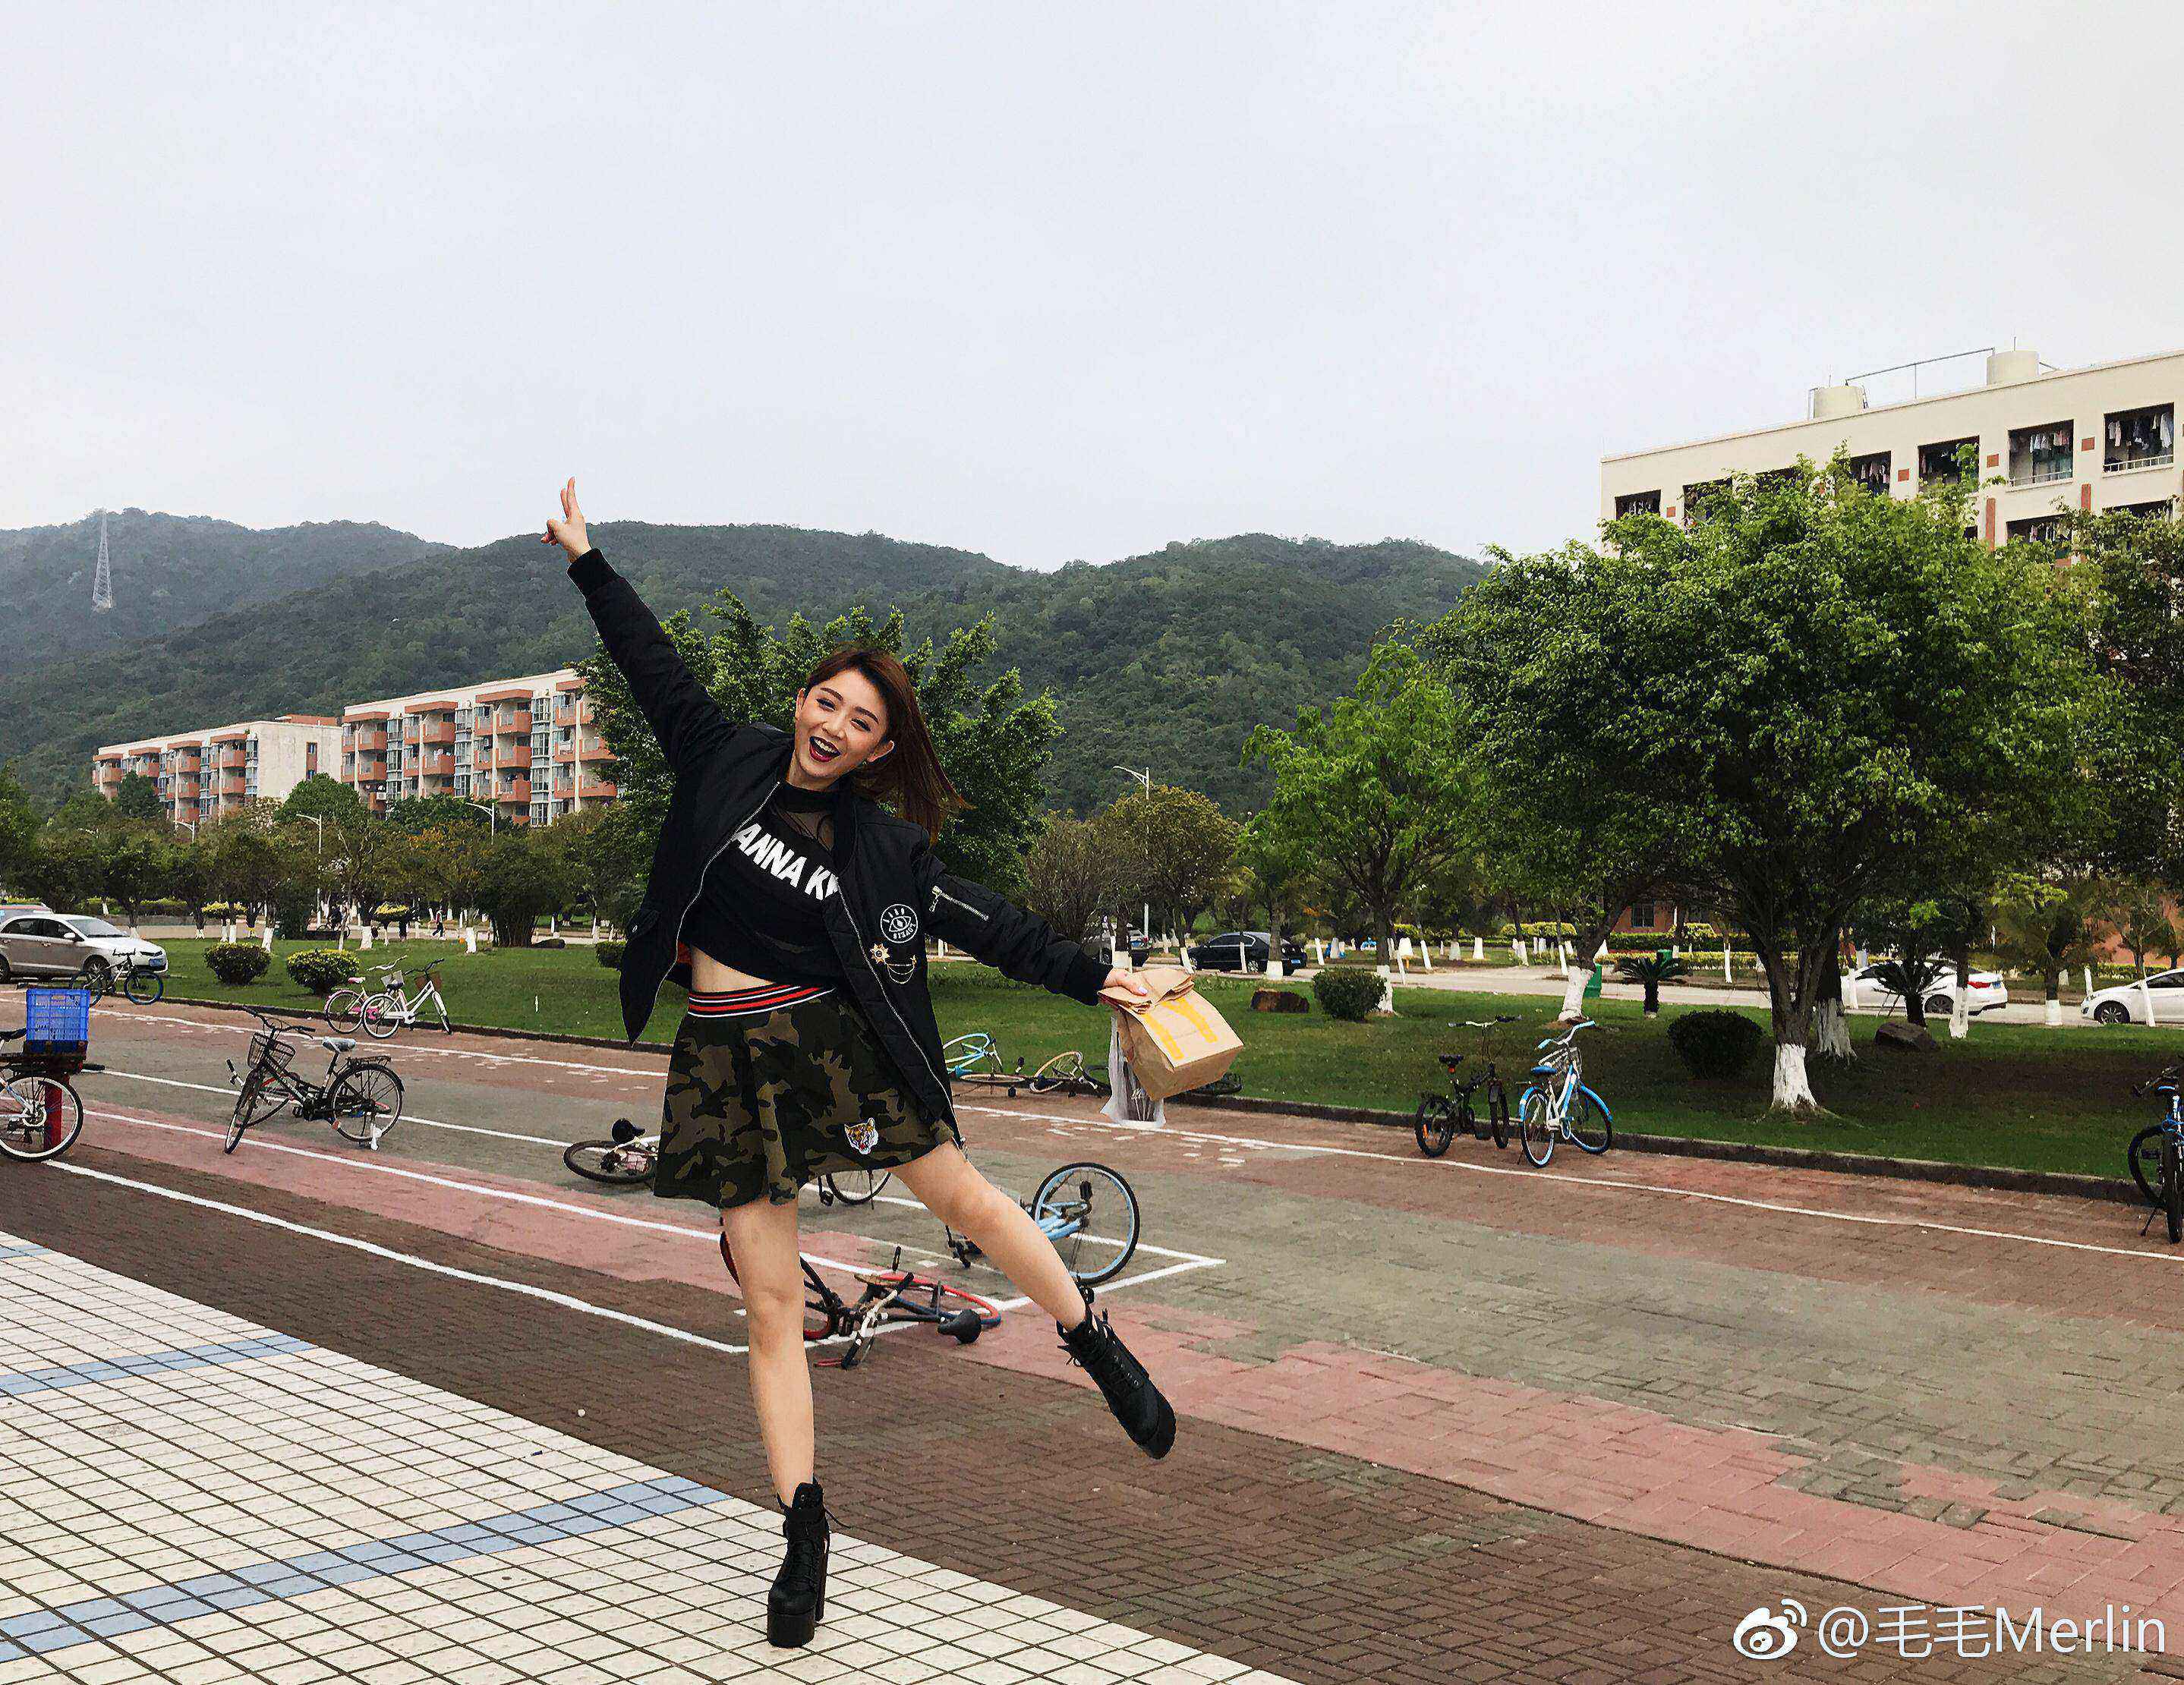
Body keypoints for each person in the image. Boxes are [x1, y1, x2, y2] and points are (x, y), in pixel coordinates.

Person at [542, 480, 1174, 1649]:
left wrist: (1092, 977)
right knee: (770, 1306)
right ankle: (803, 1527)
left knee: (964, 1199)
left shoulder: (881, 847)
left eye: (861, 721)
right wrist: (588, 561)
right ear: (801, 702)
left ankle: (1089, 1334)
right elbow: (650, 662)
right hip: (724, 1057)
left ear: (882, 749)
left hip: (832, 1045)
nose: (834, 725)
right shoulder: (723, 758)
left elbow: (988, 922)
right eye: (825, 702)